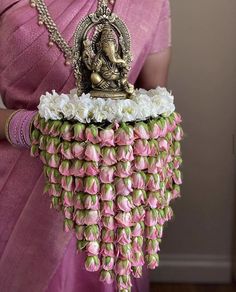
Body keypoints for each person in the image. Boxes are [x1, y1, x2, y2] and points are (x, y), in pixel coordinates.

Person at [0, 0, 171, 291]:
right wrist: (30, 128)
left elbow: (154, 103)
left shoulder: (151, 3)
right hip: (22, 183)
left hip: (110, 197)